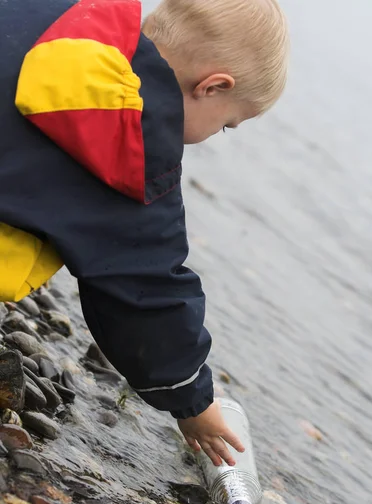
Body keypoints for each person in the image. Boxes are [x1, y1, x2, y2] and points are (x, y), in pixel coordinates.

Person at [0, 0, 289, 466]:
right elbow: (144, 289)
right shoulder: (132, 143)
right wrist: (192, 401)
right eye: (226, 125)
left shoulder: (58, 12)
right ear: (212, 86)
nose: (216, 135)